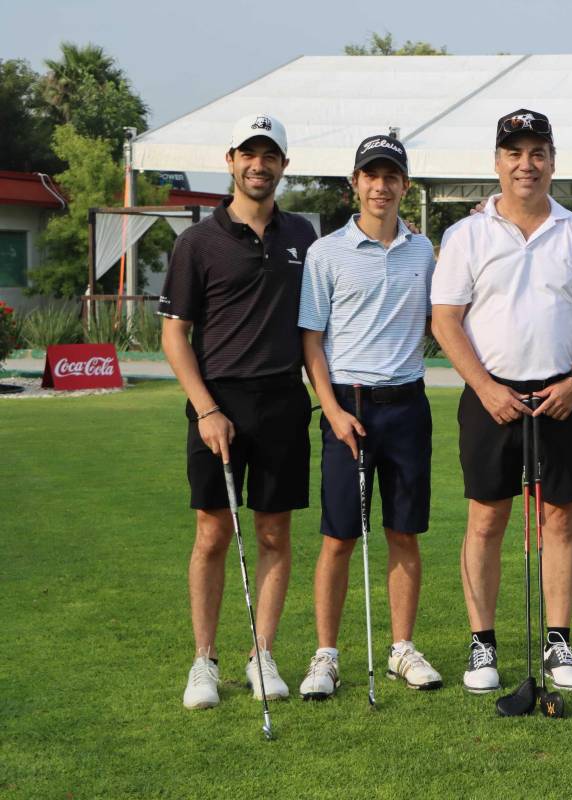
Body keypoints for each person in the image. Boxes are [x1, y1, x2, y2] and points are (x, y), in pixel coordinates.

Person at [430, 109, 572, 694]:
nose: (526, 164)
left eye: (537, 153)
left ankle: (558, 640)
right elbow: (446, 321)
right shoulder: (466, 235)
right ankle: (481, 644)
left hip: (561, 393)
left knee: (558, 517)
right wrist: (485, 388)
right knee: (486, 519)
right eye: (514, 153)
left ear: (553, 162)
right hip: (490, 396)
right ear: (497, 162)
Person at [160, 114, 317, 710]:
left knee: (275, 532)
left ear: (283, 165)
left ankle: (262, 654)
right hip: (217, 402)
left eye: (270, 156)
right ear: (231, 160)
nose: (259, 165)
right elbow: (176, 335)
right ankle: (204, 661)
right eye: (249, 155)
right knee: (212, 533)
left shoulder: (303, 234)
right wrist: (206, 410)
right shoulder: (197, 241)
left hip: (282, 400)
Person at [295, 134, 442, 699]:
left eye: (391, 176)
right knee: (338, 538)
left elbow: (442, 318)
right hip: (347, 410)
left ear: (405, 185)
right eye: (370, 175)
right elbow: (311, 340)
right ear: (354, 183)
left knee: (403, 533)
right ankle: (326, 655)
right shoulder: (325, 252)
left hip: (407, 406)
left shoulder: (424, 251)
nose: (381, 186)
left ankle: (402, 647)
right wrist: (330, 410)